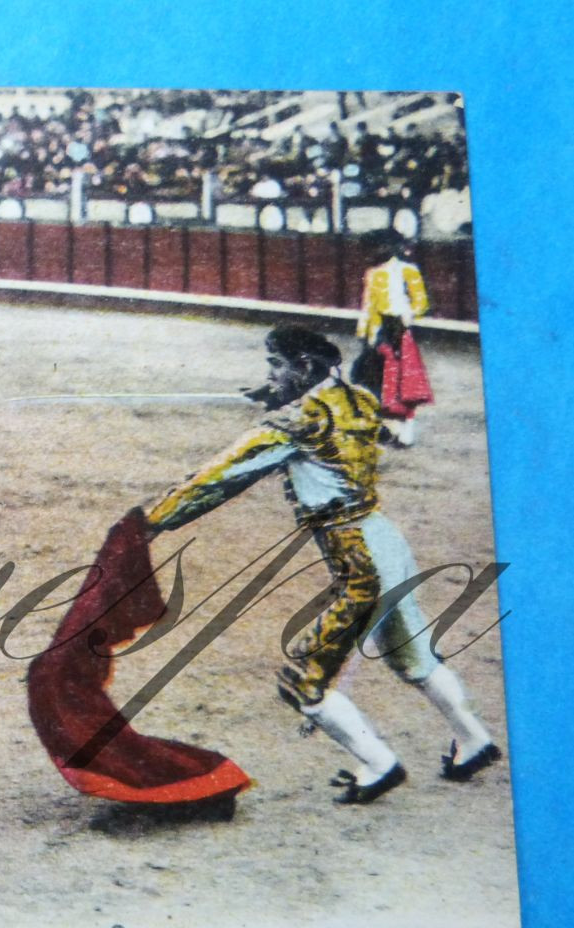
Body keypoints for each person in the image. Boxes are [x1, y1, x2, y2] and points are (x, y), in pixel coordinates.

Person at [143, 326, 500, 804]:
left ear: (304, 367)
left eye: (276, 365)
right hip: (388, 543)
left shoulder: (294, 422)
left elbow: (221, 477)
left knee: (304, 679)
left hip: (360, 562)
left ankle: (377, 765)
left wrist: (153, 520)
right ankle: (474, 740)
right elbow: (330, 420)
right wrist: (278, 397)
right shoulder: (359, 399)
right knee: (413, 657)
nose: (270, 373)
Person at [355, 229, 433, 446]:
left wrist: (405, 318)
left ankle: (406, 430)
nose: (374, 252)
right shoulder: (372, 273)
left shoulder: (409, 271)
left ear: (390, 247)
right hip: (380, 331)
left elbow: (421, 303)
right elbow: (368, 306)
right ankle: (389, 429)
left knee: (405, 384)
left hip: (400, 330)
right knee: (377, 381)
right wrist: (365, 334)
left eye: (378, 247)